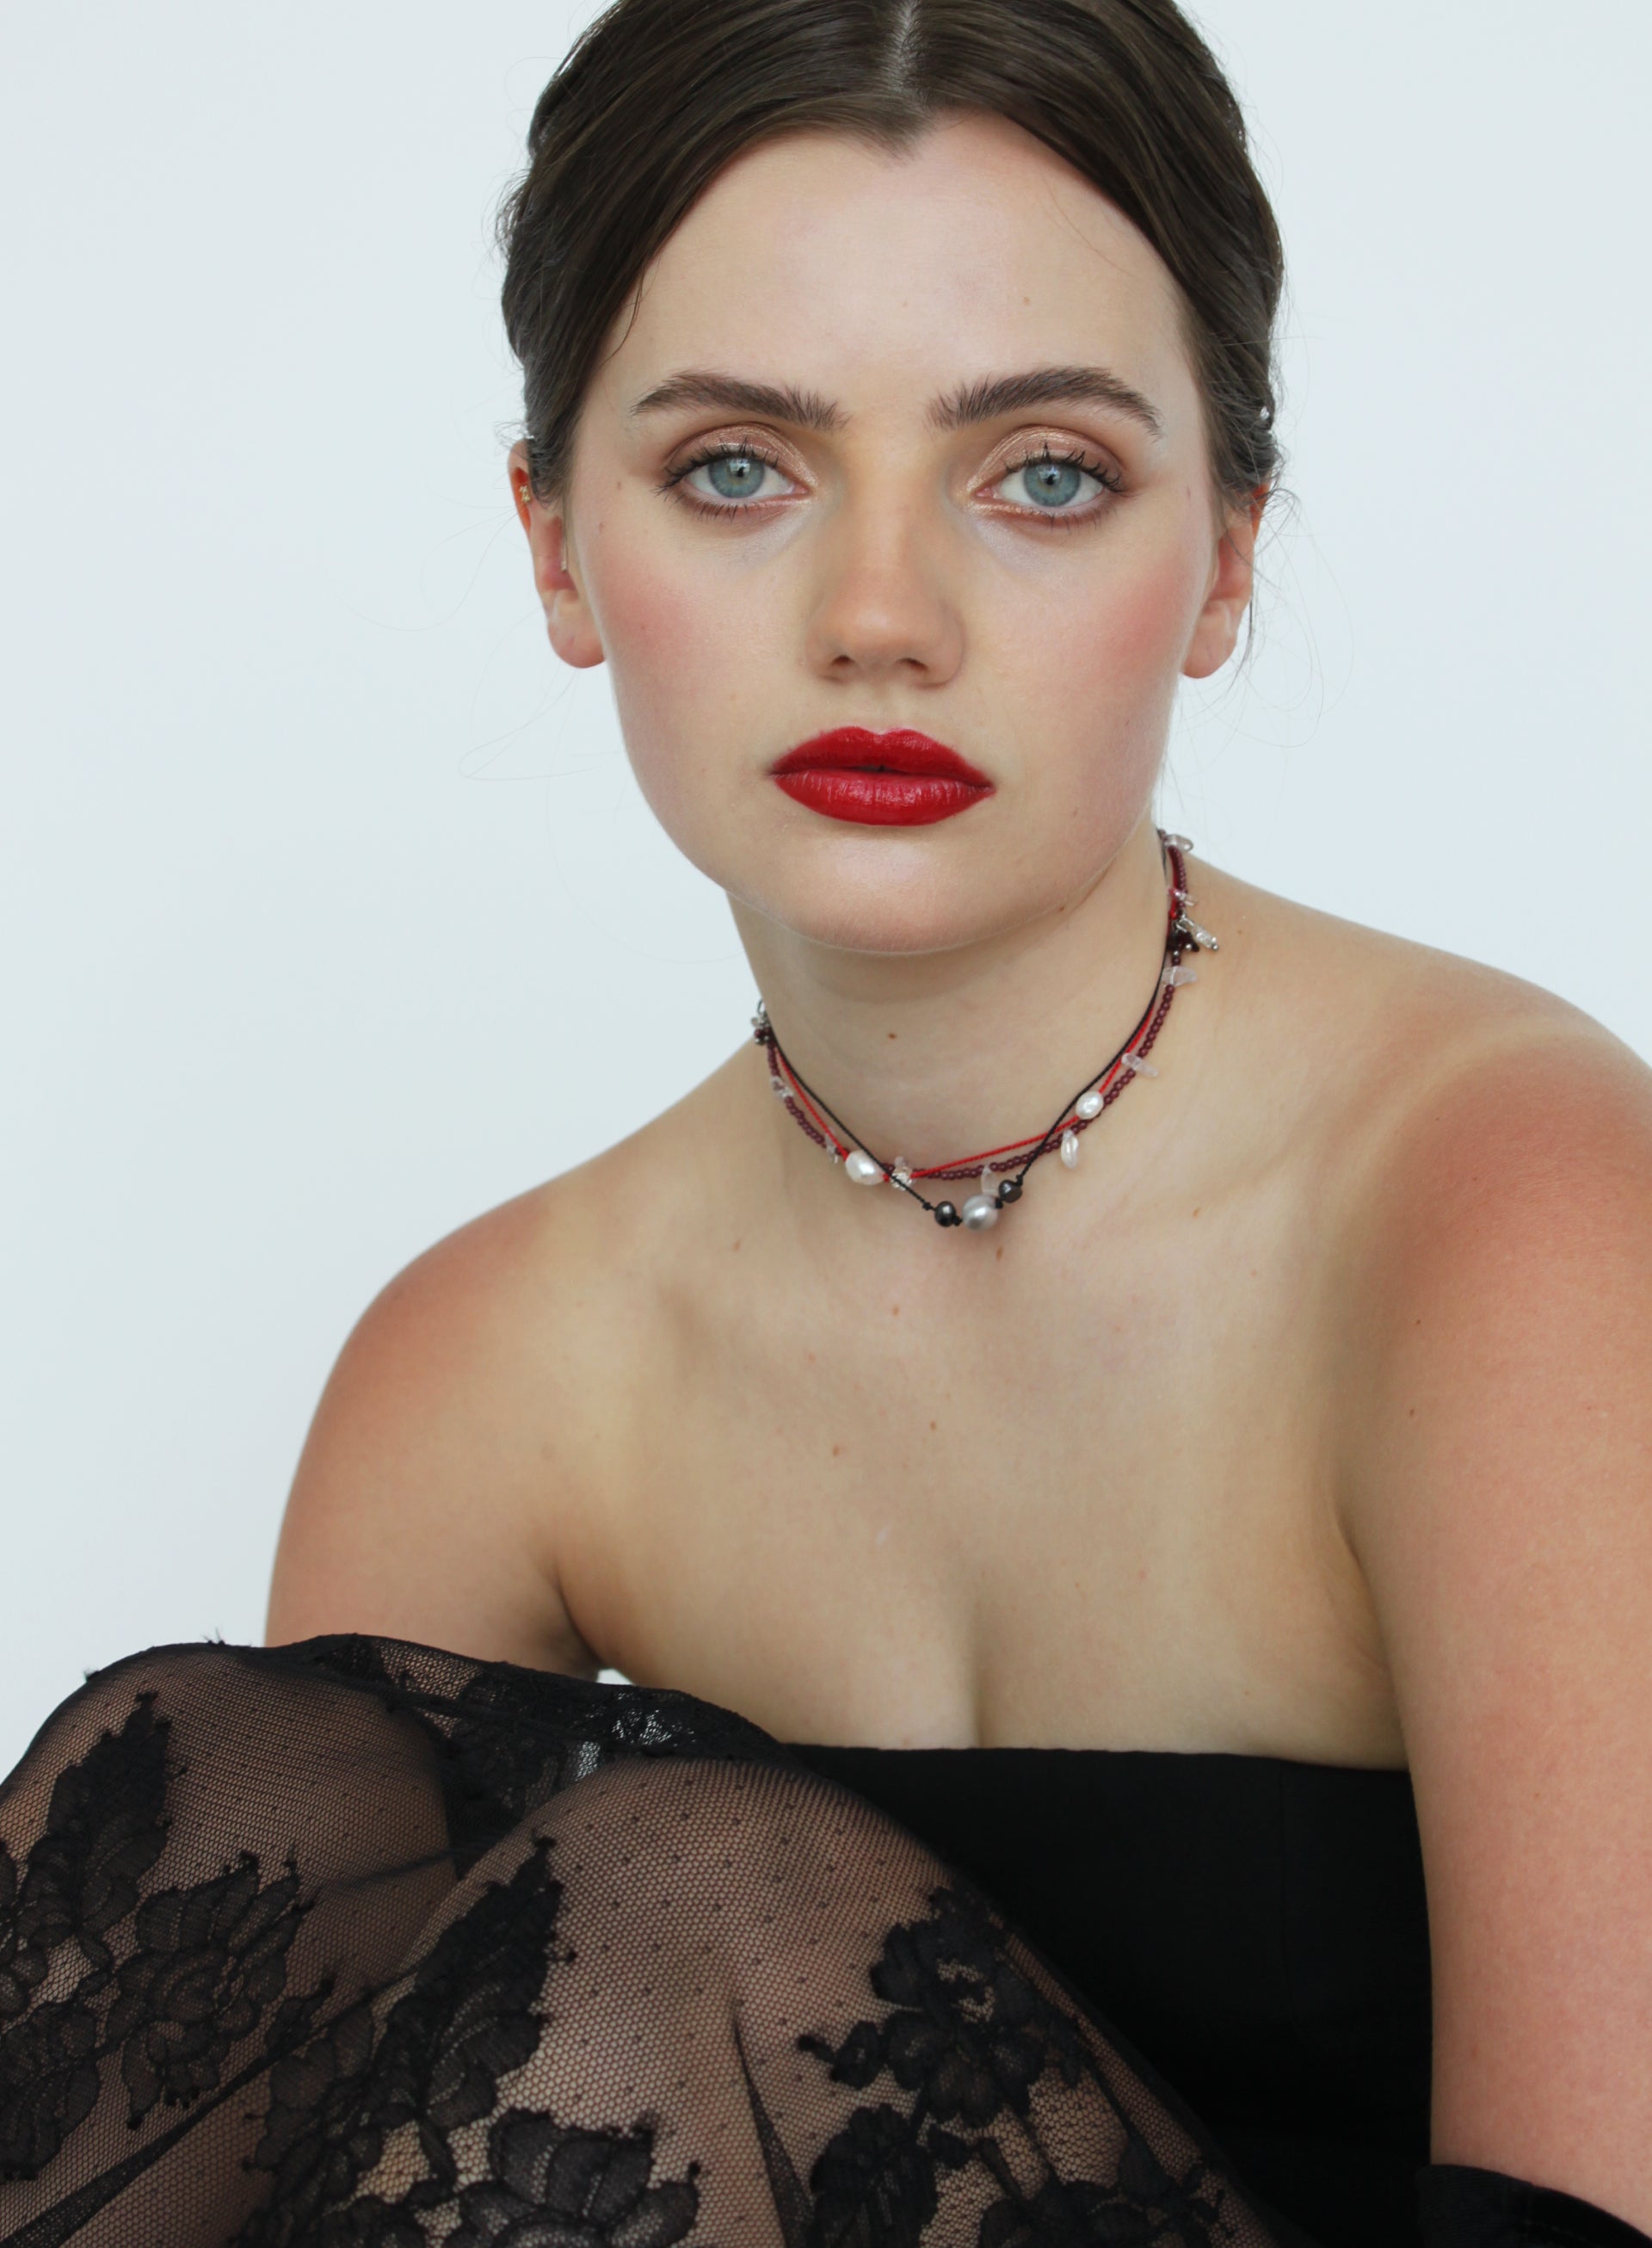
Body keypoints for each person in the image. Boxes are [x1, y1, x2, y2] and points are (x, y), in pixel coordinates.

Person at [2, 3, 1649, 2243]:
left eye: (1044, 471)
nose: (885, 616)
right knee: (205, 1801)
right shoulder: (493, 1363)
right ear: (561, 550)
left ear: (1231, 555)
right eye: (739, 470)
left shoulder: (1510, 1211)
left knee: (671, 1892)